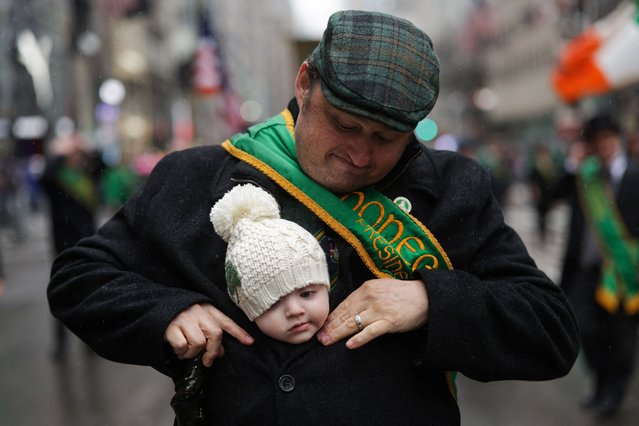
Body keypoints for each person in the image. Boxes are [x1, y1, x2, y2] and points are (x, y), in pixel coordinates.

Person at [48, 10, 580, 424]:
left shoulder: (454, 191)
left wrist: (428, 301)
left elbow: (549, 331)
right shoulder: (193, 178)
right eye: (344, 125)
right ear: (305, 84)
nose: (360, 155)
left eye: (385, 139)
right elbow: (79, 279)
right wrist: (165, 313)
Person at [550, 114, 639, 418]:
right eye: (596, 141)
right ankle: (600, 384)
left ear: (619, 139)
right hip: (583, 272)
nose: (603, 146)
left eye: (607, 139)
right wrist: (571, 165)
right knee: (584, 331)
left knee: (621, 340)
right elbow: (551, 194)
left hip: (623, 274)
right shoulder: (583, 176)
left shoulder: (635, 175)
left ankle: (613, 392)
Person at [40, 131, 104, 361]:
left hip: (88, 241)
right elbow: (46, 174)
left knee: (88, 292)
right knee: (62, 293)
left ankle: (90, 341)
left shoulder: (85, 175)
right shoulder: (57, 179)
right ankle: (61, 346)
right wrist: (59, 153)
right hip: (63, 244)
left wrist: (86, 147)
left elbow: (101, 165)